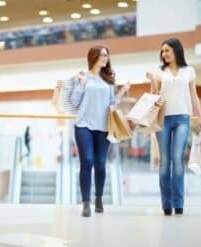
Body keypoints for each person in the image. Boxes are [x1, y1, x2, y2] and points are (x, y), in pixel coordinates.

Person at [146, 38, 201, 216]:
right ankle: (166, 204)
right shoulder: (158, 71)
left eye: (167, 50)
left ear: (176, 51)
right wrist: (153, 81)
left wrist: (200, 118)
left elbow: (194, 96)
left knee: (177, 160)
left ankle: (178, 203)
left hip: (182, 119)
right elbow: (154, 96)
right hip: (162, 119)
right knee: (165, 162)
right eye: (162, 51)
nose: (164, 54)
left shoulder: (189, 71)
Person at [69, 45, 130, 217]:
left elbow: (112, 103)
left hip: (104, 128)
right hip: (83, 126)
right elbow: (74, 101)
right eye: (103, 55)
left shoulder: (108, 80)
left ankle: (99, 198)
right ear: (94, 56)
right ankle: (86, 203)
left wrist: (122, 92)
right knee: (87, 161)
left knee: (100, 165)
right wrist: (81, 84)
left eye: (107, 55)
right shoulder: (83, 76)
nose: (106, 58)